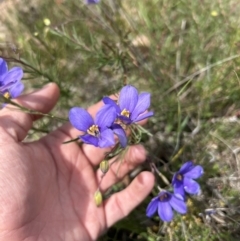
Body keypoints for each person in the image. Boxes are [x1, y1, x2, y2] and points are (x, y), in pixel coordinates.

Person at [0, 83, 154, 241]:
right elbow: (95, 128)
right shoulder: (94, 131)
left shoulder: (109, 125)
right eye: (92, 130)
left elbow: (109, 128)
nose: (93, 130)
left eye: (94, 129)